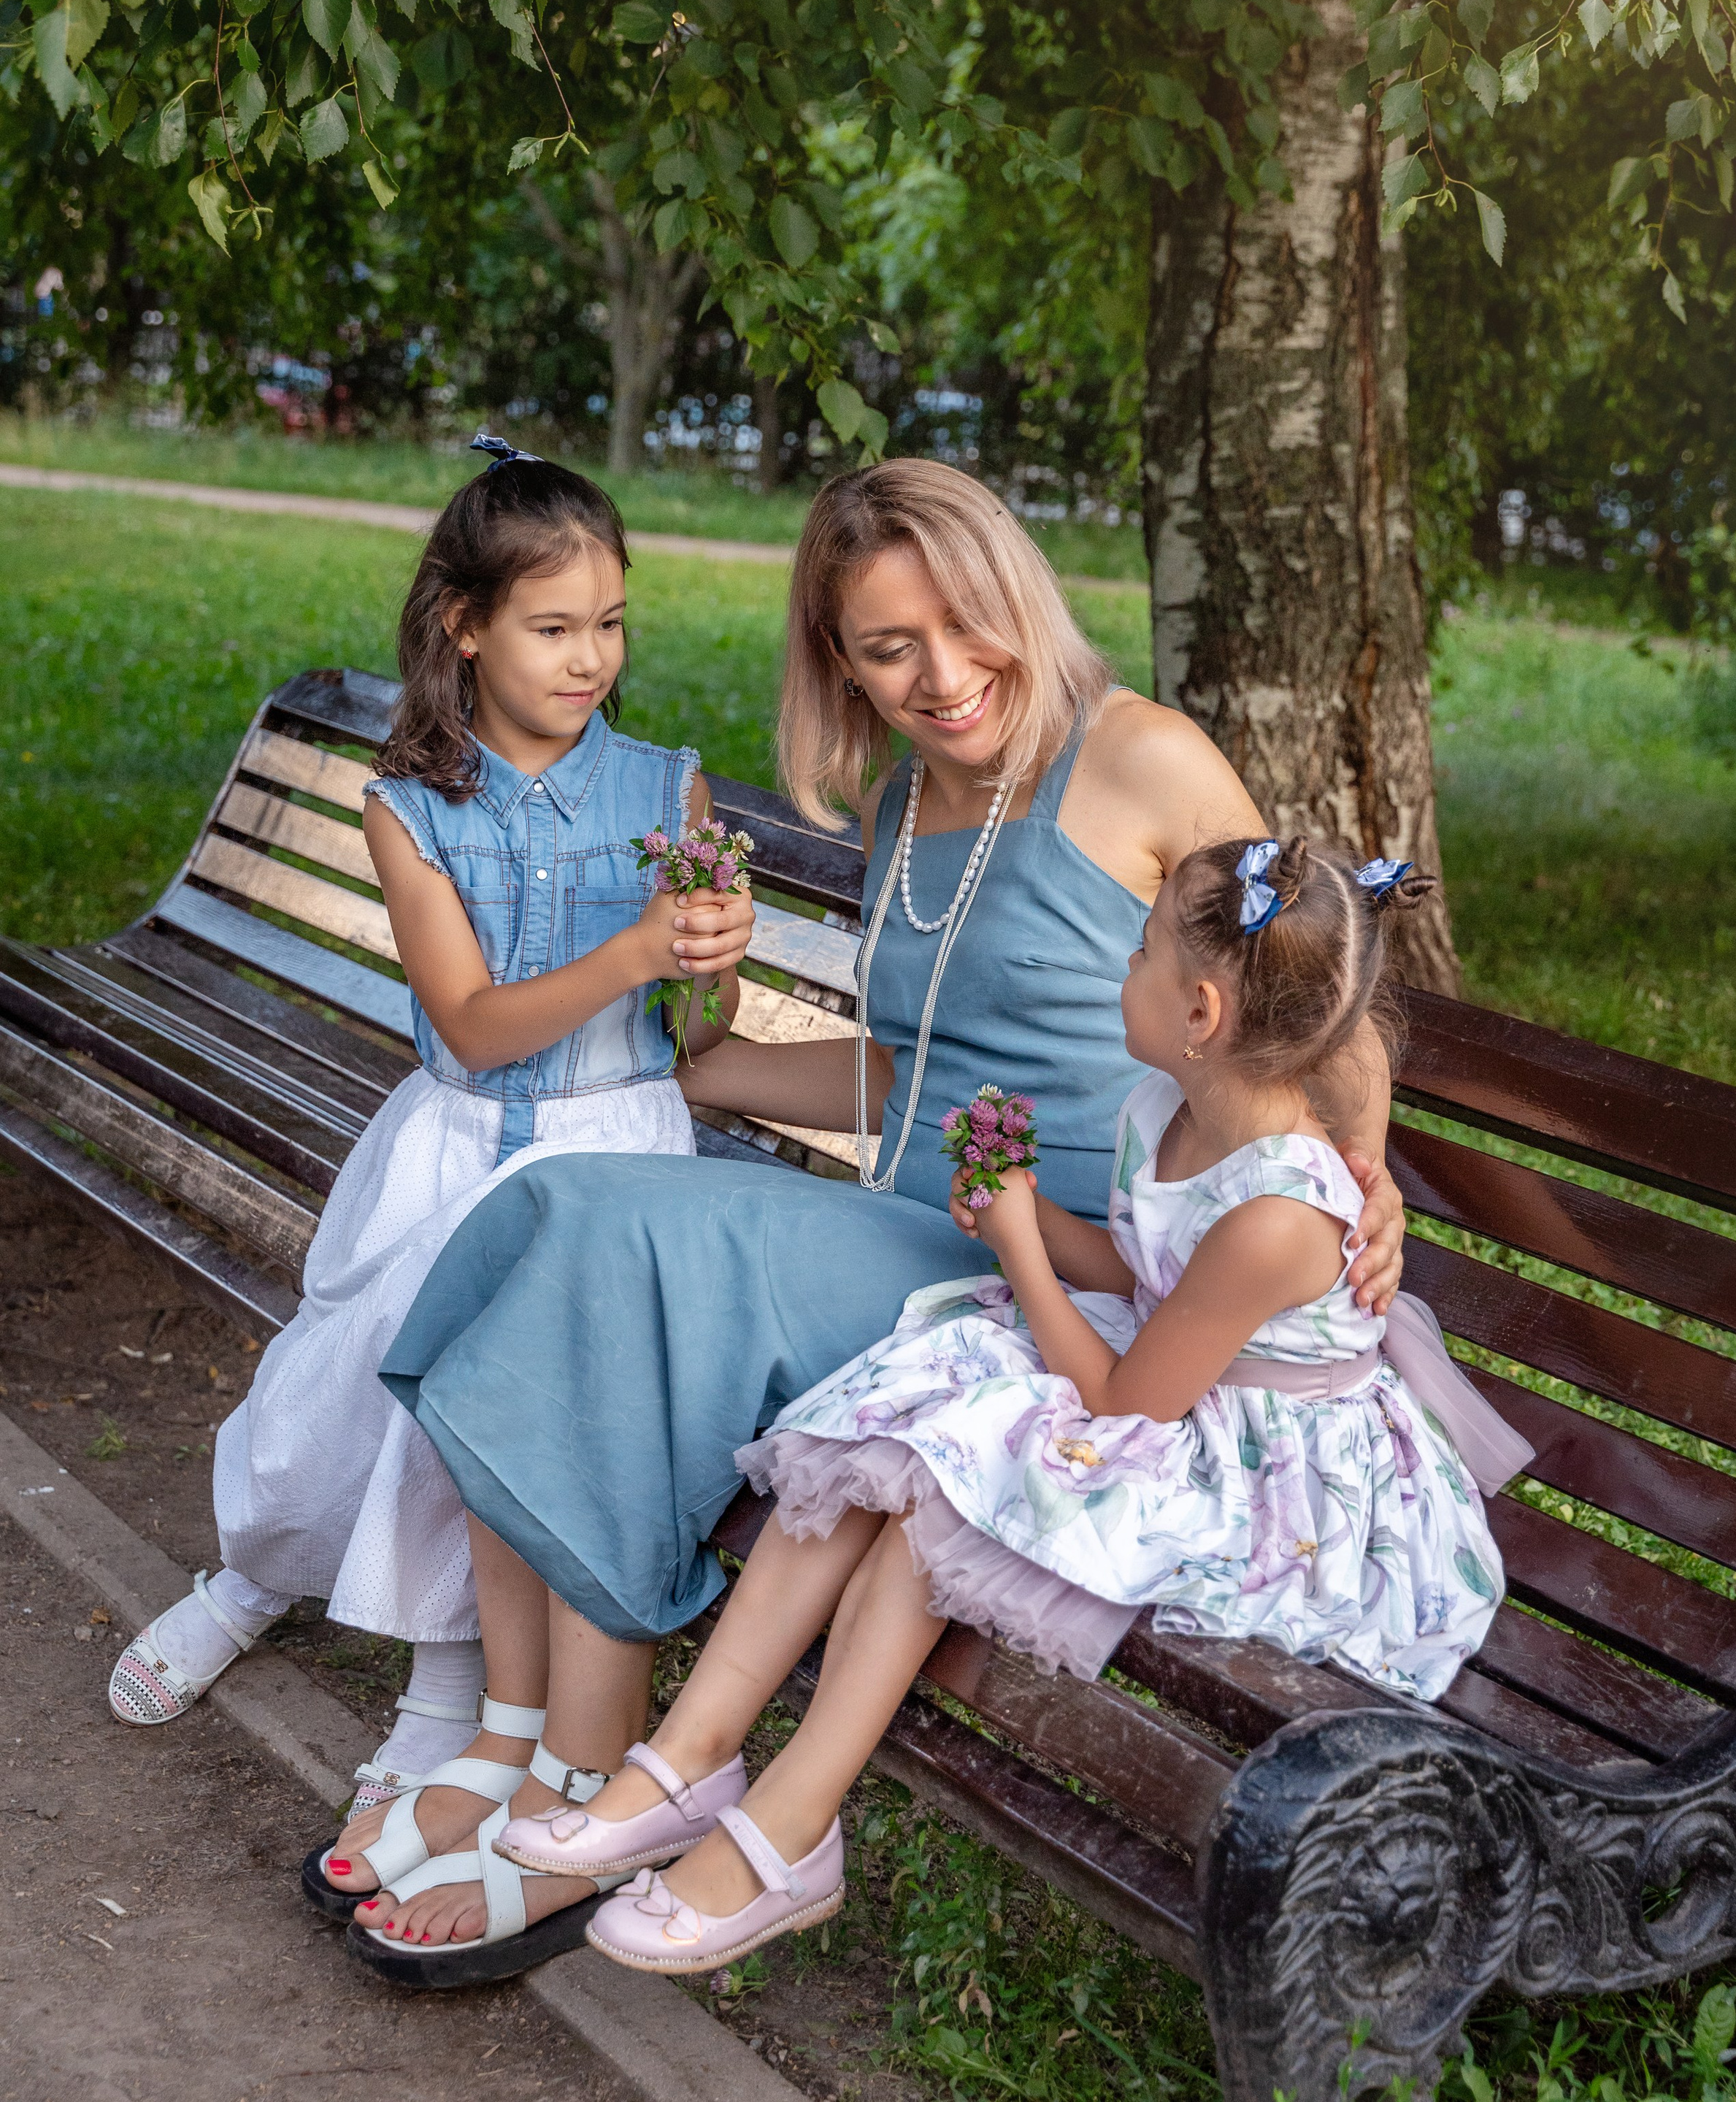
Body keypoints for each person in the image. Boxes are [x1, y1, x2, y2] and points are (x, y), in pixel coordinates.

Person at [339, 461, 1411, 1979]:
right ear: (836, 656)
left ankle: (587, 1772)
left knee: (615, 1241)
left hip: (1051, 1270)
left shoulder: (1139, 760)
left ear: (1017, 599)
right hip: (910, 1230)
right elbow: (915, 1068)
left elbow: (1308, 992)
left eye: (964, 627)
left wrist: (1371, 1182)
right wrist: (710, 1055)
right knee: (554, 1211)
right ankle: (532, 1741)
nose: (941, 677)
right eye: (885, 647)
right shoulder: (915, 793)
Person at [498, 833, 1525, 1979]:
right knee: (901, 1416)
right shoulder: (1167, 1106)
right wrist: (1026, 1218)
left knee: (952, 1486)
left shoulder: (1282, 1215)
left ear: (1199, 1010)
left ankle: (790, 1830)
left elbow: (1129, 1401)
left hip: (1283, 1487)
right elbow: (1144, 1276)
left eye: (1135, 956)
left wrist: (1027, 1255)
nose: (1116, 976)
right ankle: (690, 1760)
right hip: (1177, 1389)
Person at [107, 437, 753, 1847]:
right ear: (466, 626)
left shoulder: (665, 786)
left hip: (617, 1160)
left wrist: (710, 951)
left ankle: (440, 1700)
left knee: (491, 1435)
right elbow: (468, 1025)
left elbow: (700, 1026)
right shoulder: (409, 806)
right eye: (554, 627)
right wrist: (638, 943)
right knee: (338, 1397)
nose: (592, 658)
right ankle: (250, 1582)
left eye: (612, 624)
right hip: (460, 1149)